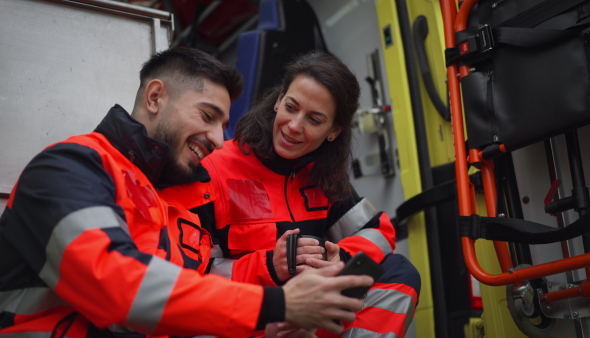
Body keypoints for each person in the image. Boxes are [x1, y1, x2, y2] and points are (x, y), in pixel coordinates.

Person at [0, 47, 375, 338]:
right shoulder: (68, 168)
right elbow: (119, 289)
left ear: (334, 131)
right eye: (207, 116)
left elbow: (184, 303)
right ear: (155, 97)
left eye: (223, 125)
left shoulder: (168, 202)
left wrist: (265, 328)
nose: (218, 139)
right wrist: (280, 305)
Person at [176, 50, 421, 337]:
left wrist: (341, 256)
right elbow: (189, 273)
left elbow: (379, 232)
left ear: (334, 131)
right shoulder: (214, 167)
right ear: (278, 101)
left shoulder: (323, 175)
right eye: (291, 107)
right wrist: (269, 266)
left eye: (314, 120)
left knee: (397, 272)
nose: (294, 126)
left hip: (308, 317)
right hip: (246, 315)